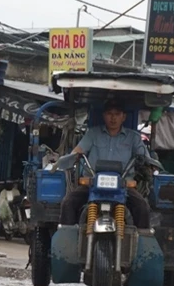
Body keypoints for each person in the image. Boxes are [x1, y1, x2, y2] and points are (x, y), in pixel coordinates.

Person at [60, 99, 152, 230]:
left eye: (117, 114)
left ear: (123, 117)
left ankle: (141, 247)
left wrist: (150, 164)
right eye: (109, 113)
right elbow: (78, 151)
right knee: (68, 203)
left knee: (143, 208)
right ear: (103, 116)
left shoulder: (134, 138)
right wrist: (70, 158)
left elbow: (145, 158)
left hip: (124, 185)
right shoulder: (93, 134)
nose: (113, 118)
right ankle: (67, 242)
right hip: (92, 183)